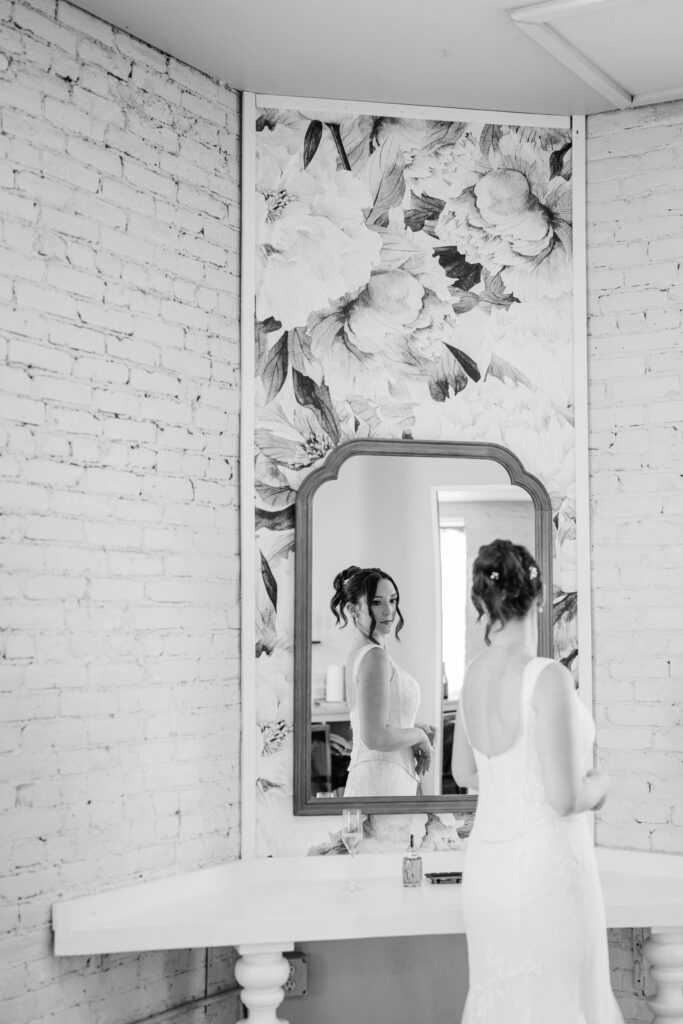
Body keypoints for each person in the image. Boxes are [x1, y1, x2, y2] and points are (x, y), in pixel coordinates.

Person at [452, 539, 624, 1024]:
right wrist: (603, 783)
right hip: (545, 870)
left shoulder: (472, 677)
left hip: (488, 868)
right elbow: (566, 797)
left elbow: (464, 773)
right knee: (559, 1002)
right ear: (540, 597)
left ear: (482, 604)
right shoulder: (545, 676)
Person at [330, 565, 435, 798]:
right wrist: (420, 738)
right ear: (353, 609)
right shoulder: (374, 656)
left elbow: (372, 722)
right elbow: (375, 736)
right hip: (381, 784)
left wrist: (414, 728)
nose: (389, 610)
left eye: (393, 600)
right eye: (377, 602)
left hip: (383, 781)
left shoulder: (361, 652)